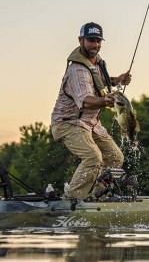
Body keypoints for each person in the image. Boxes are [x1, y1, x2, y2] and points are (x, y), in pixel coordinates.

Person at [51, 22, 132, 200]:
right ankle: (71, 200)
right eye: (90, 40)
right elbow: (85, 101)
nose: (95, 45)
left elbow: (98, 81)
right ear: (81, 40)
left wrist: (117, 80)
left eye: (97, 41)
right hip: (68, 123)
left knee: (115, 157)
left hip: (89, 124)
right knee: (93, 158)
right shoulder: (77, 70)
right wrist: (105, 100)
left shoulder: (94, 63)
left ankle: (97, 196)